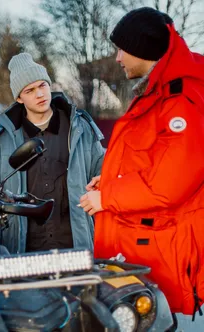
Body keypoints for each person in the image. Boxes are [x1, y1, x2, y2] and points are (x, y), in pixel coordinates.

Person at [79, 7, 204, 316]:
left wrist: (107, 197)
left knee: (151, 319)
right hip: (142, 244)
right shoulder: (155, 94)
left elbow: (168, 185)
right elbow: (145, 161)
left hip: (161, 248)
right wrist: (107, 181)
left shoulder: (180, 102)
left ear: (142, 49)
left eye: (122, 49)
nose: (118, 58)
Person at [0, 53, 105, 254]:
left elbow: (103, 179)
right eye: (30, 90)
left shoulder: (81, 129)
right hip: (22, 251)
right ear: (19, 98)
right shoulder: (2, 141)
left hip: (76, 246)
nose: (39, 94)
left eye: (42, 86)